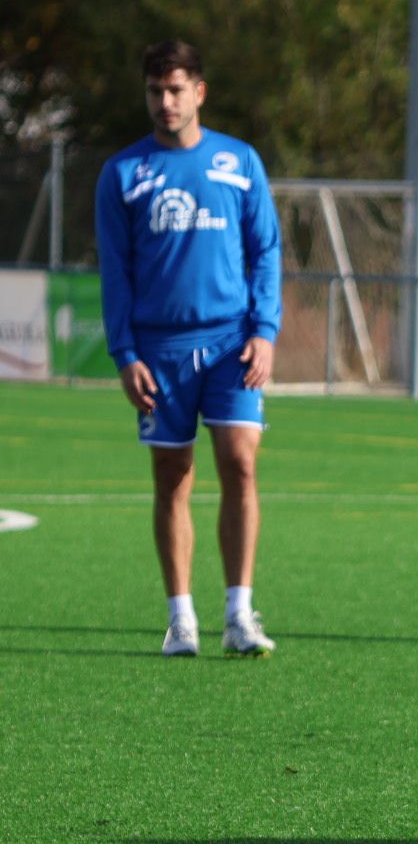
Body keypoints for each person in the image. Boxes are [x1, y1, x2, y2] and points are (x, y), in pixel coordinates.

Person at [94, 41, 282, 657]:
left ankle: (239, 613)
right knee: (172, 476)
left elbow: (265, 252)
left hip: (232, 342)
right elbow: (116, 272)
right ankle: (181, 619)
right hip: (160, 349)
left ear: (199, 91)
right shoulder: (124, 173)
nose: (165, 101)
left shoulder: (240, 162)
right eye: (155, 91)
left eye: (176, 89)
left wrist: (264, 330)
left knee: (241, 462)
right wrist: (125, 354)